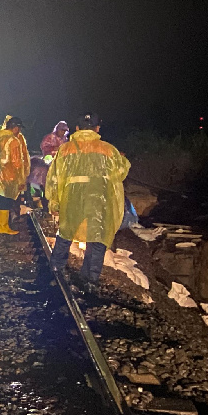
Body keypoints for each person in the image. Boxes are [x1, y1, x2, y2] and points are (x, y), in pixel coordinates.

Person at [46, 113, 130, 287]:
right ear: (97, 128)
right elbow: (120, 172)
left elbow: (54, 178)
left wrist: (54, 202)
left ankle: (55, 268)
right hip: (98, 201)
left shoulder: (65, 149)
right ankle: (90, 279)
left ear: (77, 128)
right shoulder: (108, 149)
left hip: (72, 199)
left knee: (65, 233)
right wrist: (123, 159)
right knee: (97, 237)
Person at [0, 116, 30, 235]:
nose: (19, 131)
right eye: (19, 128)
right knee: (5, 200)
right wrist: (21, 178)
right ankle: (3, 227)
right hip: (9, 175)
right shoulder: (13, 140)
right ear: (15, 128)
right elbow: (16, 162)